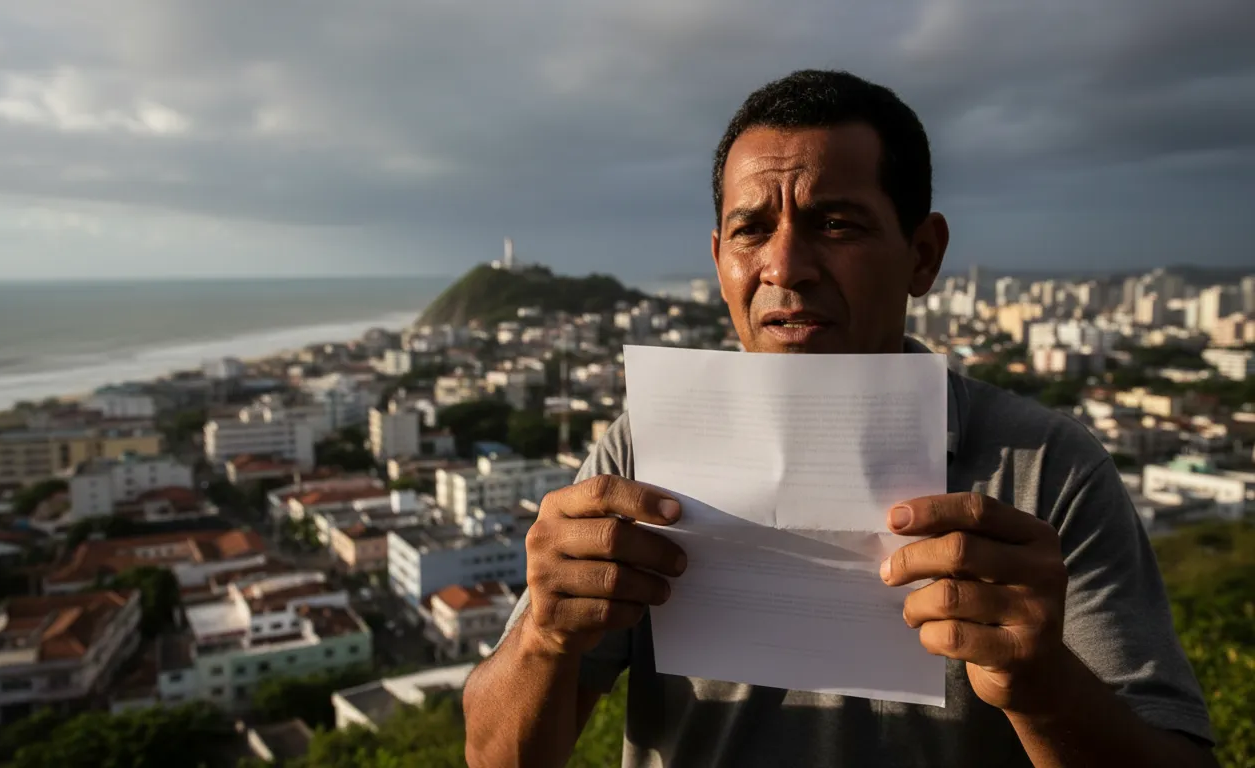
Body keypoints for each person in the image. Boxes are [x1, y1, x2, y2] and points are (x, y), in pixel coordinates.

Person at [462, 69, 1215, 768]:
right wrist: (544, 637)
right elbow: (494, 756)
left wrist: (1043, 683)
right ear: (720, 257)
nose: (785, 268)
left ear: (923, 255)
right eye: (752, 230)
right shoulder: (645, 449)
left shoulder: (1042, 467)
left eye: (836, 224)